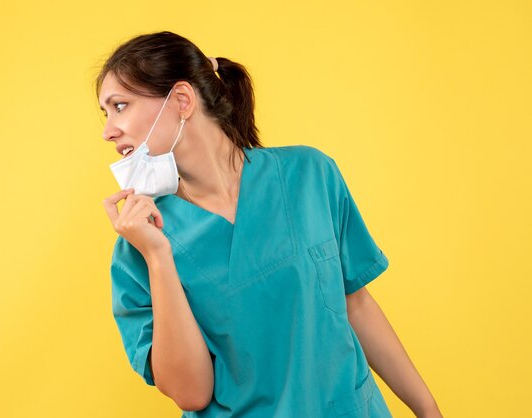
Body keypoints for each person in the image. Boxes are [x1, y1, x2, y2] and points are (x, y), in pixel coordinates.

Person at [98, 31, 443, 418]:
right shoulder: (140, 245)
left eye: (120, 106)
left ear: (181, 100)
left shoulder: (310, 175)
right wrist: (159, 257)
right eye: (106, 114)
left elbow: (355, 304)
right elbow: (191, 394)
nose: (108, 130)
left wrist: (428, 410)